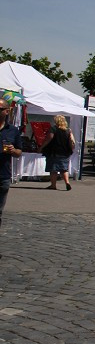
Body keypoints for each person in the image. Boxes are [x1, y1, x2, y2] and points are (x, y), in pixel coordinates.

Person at [0, 101, 23, 257]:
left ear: (7, 111)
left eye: (0, 108)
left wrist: (13, 150)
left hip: (2, 176)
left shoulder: (13, 131)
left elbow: (19, 152)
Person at [40, 115, 75, 191]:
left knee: (53, 169)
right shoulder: (68, 130)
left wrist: (42, 147)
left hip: (54, 152)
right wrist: (71, 149)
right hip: (65, 153)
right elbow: (72, 141)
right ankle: (67, 182)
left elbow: (49, 138)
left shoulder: (53, 129)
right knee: (64, 169)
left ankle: (53, 185)